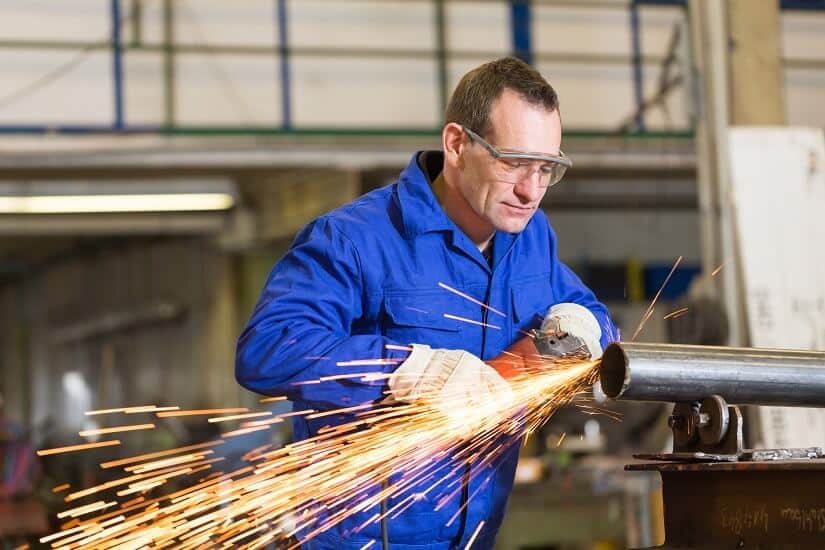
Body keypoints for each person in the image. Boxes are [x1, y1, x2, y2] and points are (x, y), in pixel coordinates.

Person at [236, 57, 616, 549]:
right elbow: (267, 349)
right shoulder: (356, 239)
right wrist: (407, 369)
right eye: (513, 163)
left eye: (546, 169)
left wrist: (585, 326)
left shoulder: (530, 240)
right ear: (457, 144)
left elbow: (594, 320)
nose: (530, 191)